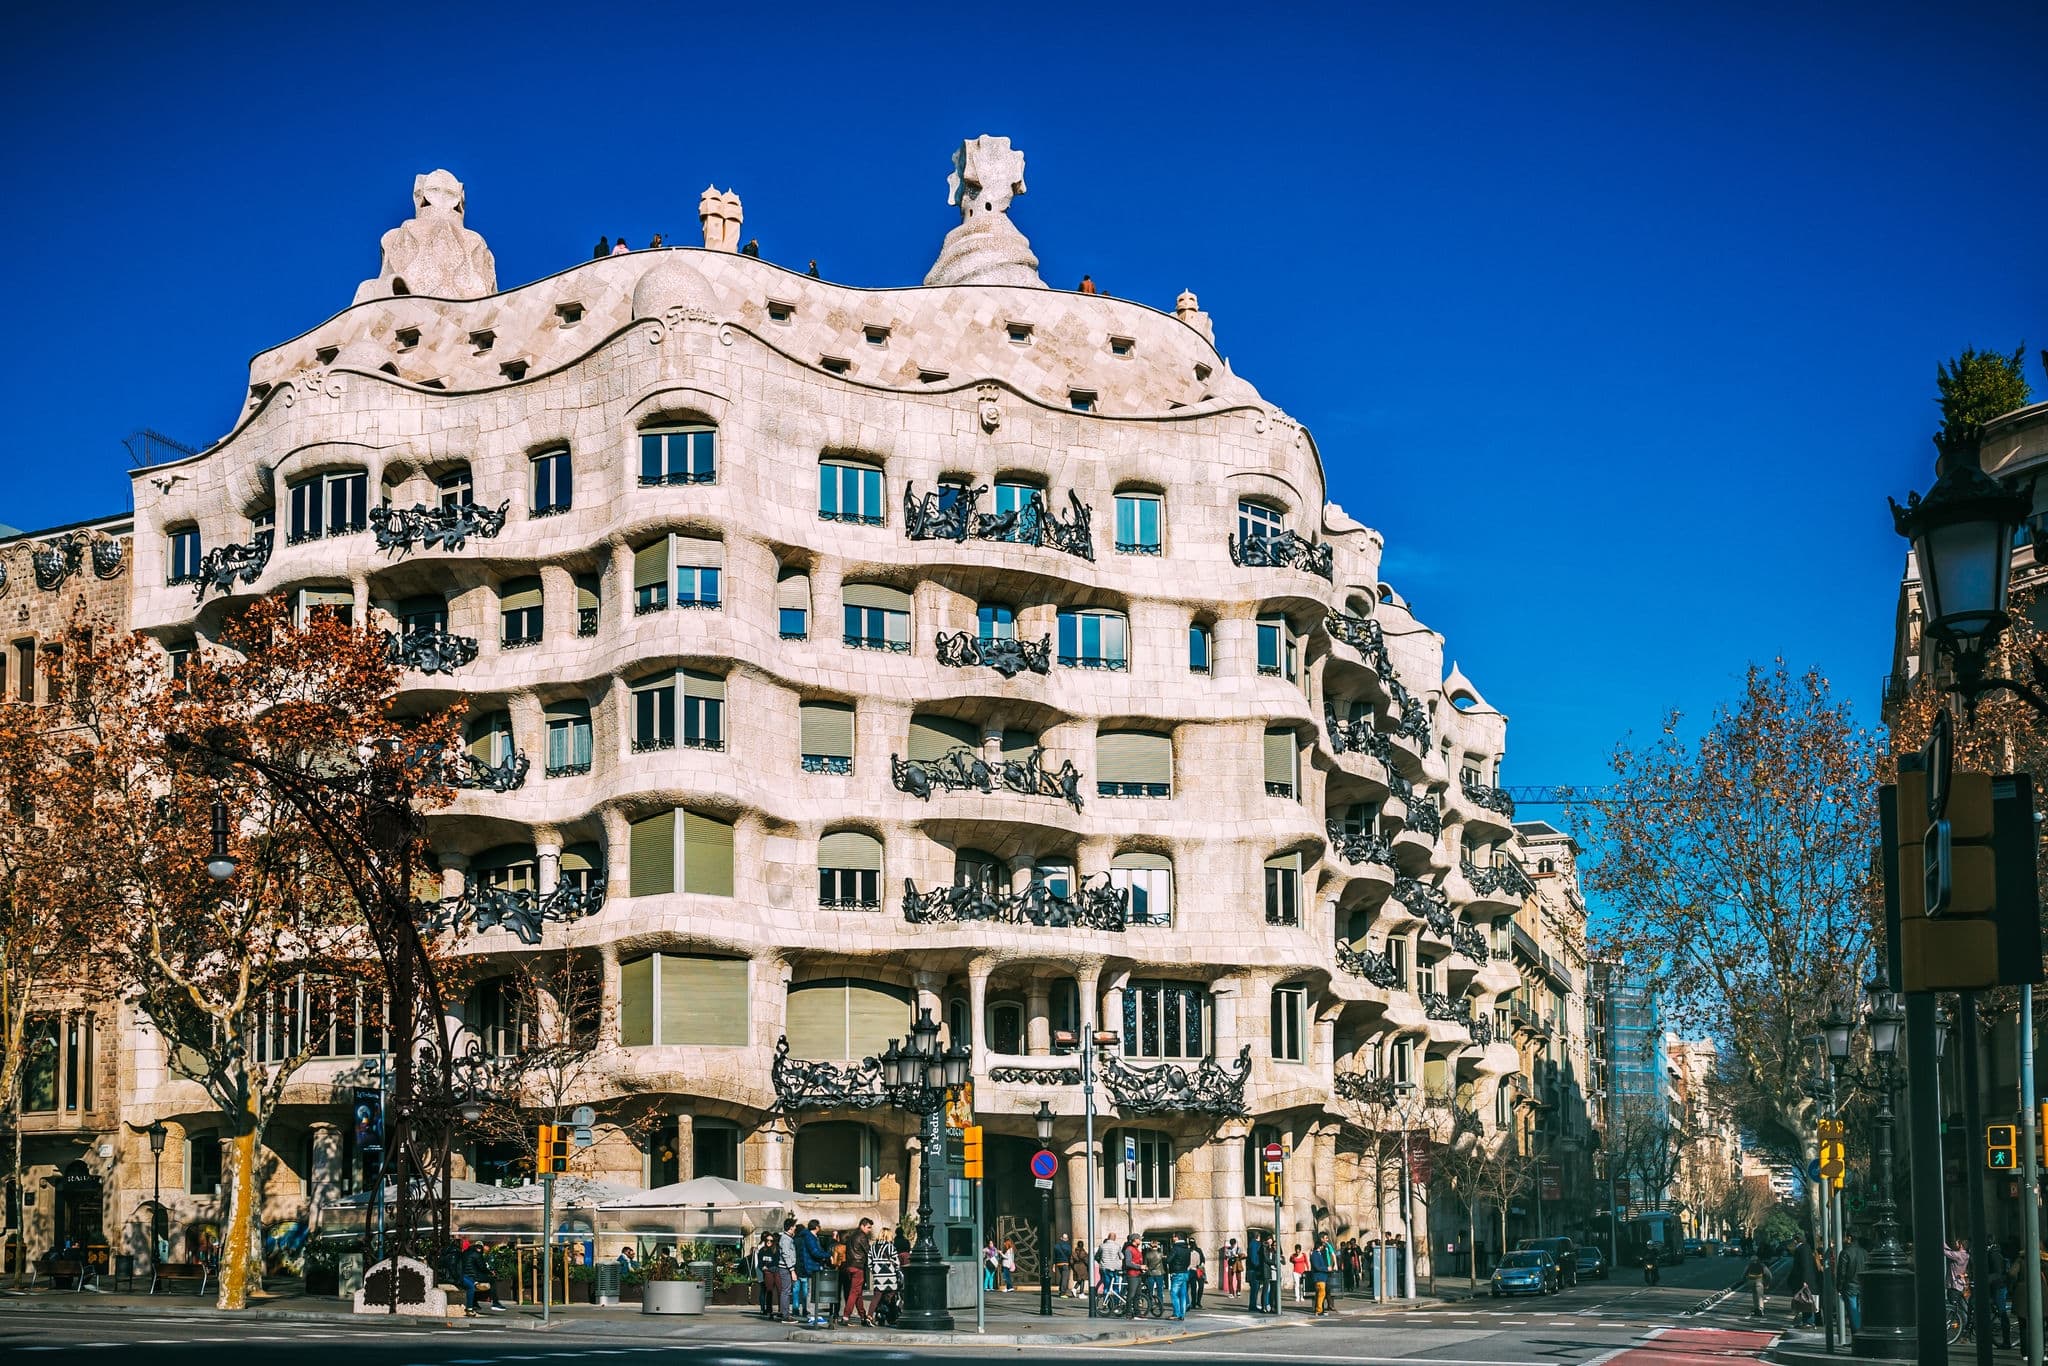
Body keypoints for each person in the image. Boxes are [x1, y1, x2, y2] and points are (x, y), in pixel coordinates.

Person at [841, 1218, 872, 1326]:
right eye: (868, 1227)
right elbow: (868, 1251)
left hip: (850, 1266)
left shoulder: (852, 1236)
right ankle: (846, 1315)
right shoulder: (862, 1236)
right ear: (862, 1226)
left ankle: (863, 1316)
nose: (869, 1230)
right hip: (858, 1266)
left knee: (857, 1293)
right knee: (854, 1292)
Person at [1836, 1231, 1867, 1334]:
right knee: (1859, 1311)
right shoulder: (1864, 1252)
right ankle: (1861, 1334)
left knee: (1853, 1313)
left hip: (1850, 1286)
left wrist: (1839, 1287)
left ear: (1849, 1238)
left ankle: (1857, 1336)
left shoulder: (1845, 1252)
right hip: (1862, 1285)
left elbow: (1842, 1272)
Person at [1986, 1238, 2013, 1348]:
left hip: (1999, 1286)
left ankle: (2006, 1341)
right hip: (1996, 1286)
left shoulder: (1994, 1254)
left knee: (2002, 1313)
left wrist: (1986, 1279)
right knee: (1997, 1310)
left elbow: (1997, 1273)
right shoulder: (1993, 1252)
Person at [1790, 1238, 1821, 1328]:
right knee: (1807, 1299)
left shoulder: (1802, 1249)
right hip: (1810, 1280)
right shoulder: (1806, 1248)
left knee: (1807, 1300)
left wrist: (1805, 1280)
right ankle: (1808, 1321)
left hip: (1806, 1280)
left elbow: (1805, 1265)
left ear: (1796, 1241)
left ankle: (1809, 1321)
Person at [1167, 1232, 1192, 1320]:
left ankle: (1176, 1313)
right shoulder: (1187, 1248)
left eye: (1173, 1237)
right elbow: (1188, 1261)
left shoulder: (1175, 1248)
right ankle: (1182, 1314)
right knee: (1183, 1294)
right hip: (1185, 1272)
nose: (1173, 1238)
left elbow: (1169, 1260)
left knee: (1174, 1293)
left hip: (1177, 1273)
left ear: (1177, 1238)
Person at [1309, 1234, 1333, 1316]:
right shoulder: (1315, 1255)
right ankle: (1319, 1310)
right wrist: (1326, 1269)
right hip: (1319, 1277)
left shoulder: (1318, 1254)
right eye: (1321, 1246)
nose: (1323, 1247)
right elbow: (1317, 1267)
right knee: (1321, 1294)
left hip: (1322, 1277)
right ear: (1319, 1246)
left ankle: (1320, 1309)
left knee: (1321, 1294)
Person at [1745, 1253, 1772, 1318]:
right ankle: (1760, 1309)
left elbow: (1744, 1274)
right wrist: (1767, 1283)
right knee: (1760, 1296)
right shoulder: (1762, 1265)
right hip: (1759, 1282)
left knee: (1754, 1295)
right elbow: (1769, 1275)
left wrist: (1745, 1281)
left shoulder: (1749, 1265)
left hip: (1751, 1282)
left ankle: (1756, 1308)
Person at [1247, 1234, 1266, 1312]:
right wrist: (1258, 1266)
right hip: (1255, 1270)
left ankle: (1252, 1305)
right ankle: (1252, 1306)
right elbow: (1254, 1257)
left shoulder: (1251, 1244)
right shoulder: (1255, 1244)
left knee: (1254, 1289)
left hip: (1252, 1269)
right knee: (1255, 1288)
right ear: (1258, 1237)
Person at [1052, 1232, 1072, 1297]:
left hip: (1059, 1263)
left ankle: (1060, 1290)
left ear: (1061, 1238)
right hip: (1065, 1263)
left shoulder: (1056, 1246)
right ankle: (1063, 1292)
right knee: (1065, 1278)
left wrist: (1054, 1265)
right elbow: (1069, 1255)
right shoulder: (1068, 1246)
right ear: (1067, 1239)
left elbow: (1054, 1256)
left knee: (1062, 1276)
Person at [1188, 1238, 1205, 1308]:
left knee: (1200, 1286)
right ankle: (1194, 1302)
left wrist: (1201, 1265)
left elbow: (1203, 1259)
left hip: (1199, 1269)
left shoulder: (1199, 1250)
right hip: (1192, 1270)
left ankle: (1198, 1301)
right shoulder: (1188, 1251)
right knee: (1193, 1287)